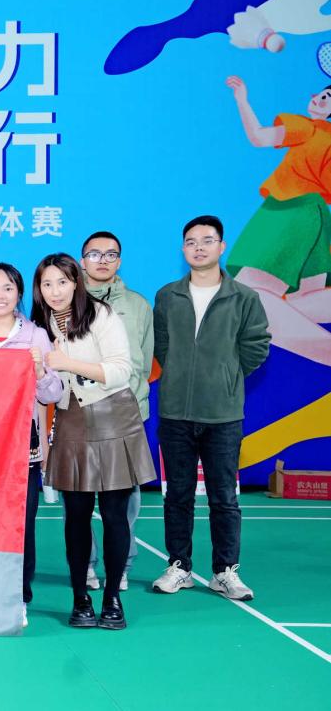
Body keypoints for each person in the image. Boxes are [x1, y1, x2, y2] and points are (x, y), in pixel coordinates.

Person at [31, 253, 156, 630]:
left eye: (62, 282)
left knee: (115, 515)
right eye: (47, 284)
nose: (55, 291)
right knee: (76, 516)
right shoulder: (39, 324)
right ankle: (80, 599)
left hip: (113, 417)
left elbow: (122, 370)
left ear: (77, 282)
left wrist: (67, 363)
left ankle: (113, 598)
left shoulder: (101, 315)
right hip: (70, 421)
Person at [152, 215, 271, 601]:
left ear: (221, 247)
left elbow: (256, 346)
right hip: (175, 413)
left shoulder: (244, 297)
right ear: (182, 249)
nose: (198, 247)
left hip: (223, 415)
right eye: (191, 242)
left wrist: (226, 376)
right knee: (177, 495)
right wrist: (179, 373)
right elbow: (161, 344)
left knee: (224, 497)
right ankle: (179, 567)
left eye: (206, 240)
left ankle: (225, 571)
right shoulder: (167, 296)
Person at [0, 263, 62, 628]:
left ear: (19, 293)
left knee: (21, 524)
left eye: (7, 288)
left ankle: (19, 593)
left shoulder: (36, 337)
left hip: (23, 451)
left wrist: (39, 371)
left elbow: (54, 393)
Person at [223, 75, 331, 366]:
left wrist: (242, 100)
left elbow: (259, 136)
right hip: (316, 217)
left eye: (328, 97)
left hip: (290, 211)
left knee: (248, 297)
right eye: (321, 93)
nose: (320, 98)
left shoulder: (308, 128)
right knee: (302, 301)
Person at [79, 231, 153, 593]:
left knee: (125, 501)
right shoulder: (66, 300)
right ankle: (86, 564)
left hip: (126, 415)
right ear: (83, 261)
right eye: (94, 254)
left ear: (119, 261)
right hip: (80, 414)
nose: (102, 260)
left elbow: (145, 361)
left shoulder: (138, 305)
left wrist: (133, 402)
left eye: (110, 254)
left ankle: (120, 565)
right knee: (79, 498)